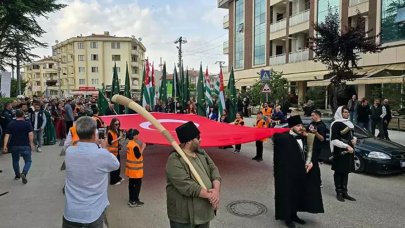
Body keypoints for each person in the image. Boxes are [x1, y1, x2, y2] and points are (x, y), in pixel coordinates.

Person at [63, 116, 119, 228]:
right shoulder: (101, 154)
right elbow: (115, 165)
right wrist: (103, 148)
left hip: (71, 212)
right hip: (93, 213)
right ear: (94, 134)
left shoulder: (69, 152)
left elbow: (77, 147)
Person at [166, 121, 221, 228]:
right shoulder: (174, 159)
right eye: (198, 137)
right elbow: (187, 185)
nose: (200, 139)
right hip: (183, 218)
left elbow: (214, 170)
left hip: (203, 213)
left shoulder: (201, 152)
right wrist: (212, 196)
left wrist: (216, 191)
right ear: (189, 141)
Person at [273, 115, 322, 228]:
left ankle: (294, 215)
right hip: (288, 174)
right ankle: (287, 217)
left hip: (301, 173)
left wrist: (311, 162)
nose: (300, 127)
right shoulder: (284, 139)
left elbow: (309, 153)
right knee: (287, 195)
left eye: (301, 125)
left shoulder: (304, 137)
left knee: (297, 194)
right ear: (291, 127)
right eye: (297, 125)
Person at [330, 106, 357, 202]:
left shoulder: (349, 123)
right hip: (340, 151)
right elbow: (334, 140)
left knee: (346, 172)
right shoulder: (336, 124)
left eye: (348, 112)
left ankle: (345, 192)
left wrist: (354, 140)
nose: (347, 114)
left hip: (349, 151)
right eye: (345, 112)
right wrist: (346, 146)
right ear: (340, 113)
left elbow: (353, 135)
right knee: (339, 172)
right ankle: (339, 192)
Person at [2, 110, 35, 184]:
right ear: (23, 115)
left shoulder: (11, 124)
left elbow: (7, 135)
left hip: (14, 146)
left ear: (15, 116)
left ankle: (17, 175)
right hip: (25, 145)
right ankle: (24, 172)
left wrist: (5, 145)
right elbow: (30, 134)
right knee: (28, 161)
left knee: (15, 160)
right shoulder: (27, 124)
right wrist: (31, 144)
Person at [125, 129, 147, 208]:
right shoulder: (134, 146)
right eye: (137, 134)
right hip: (136, 171)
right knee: (137, 186)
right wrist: (143, 148)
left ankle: (131, 200)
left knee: (131, 186)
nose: (138, 136)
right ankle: (135, 201)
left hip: (131, 170)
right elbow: (138, 156)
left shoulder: (129, 144)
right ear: (134, 136)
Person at [306, 110, 327, 187]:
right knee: (308, 163)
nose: (311, 117)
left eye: (313, 115)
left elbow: (322, 138)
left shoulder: (322, 125)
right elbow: (306, 130)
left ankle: (318, 182)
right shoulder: (312, 123)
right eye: (311, 115)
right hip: (309, 146)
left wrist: (316, 133)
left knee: (314, 164)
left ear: (317, 116)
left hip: (316, 148)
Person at [107, 117, 125, 185]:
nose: (117, 126)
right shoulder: (110, 132)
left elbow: (115, 140)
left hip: (116, 151)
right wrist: (118, 138)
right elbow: (110, 142)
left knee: (118, 165)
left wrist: (119, 144)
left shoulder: (116, 130)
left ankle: (117, 177)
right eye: (116, 124)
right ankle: (113, 181)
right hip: (112, 152)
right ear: (112, 124)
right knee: (114, 166)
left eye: (118, 124)